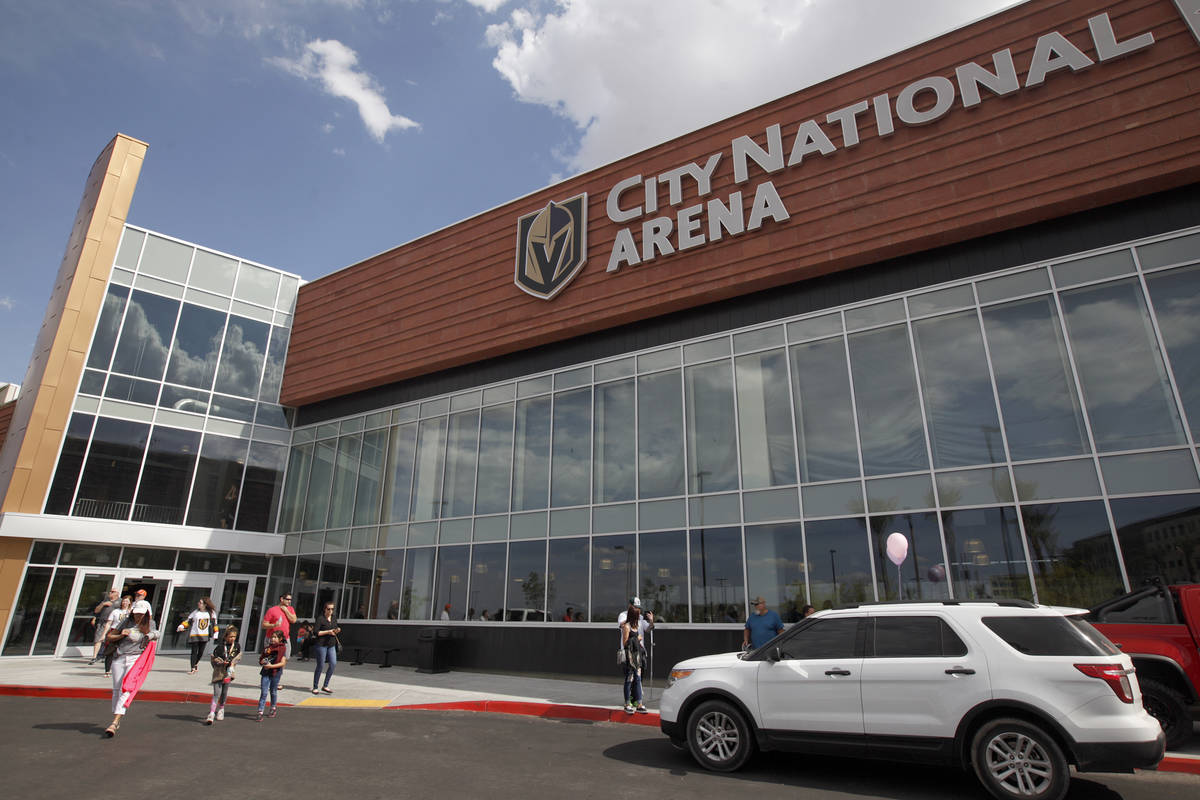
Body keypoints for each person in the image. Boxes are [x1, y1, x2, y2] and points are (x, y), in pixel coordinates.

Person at [103, 599, 158, 737]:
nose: (138, 616)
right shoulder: (127, 622)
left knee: (127, 687)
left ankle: (115, 721)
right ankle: (117, 716)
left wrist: (149, 635)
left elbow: (156, 633)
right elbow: (109, 636)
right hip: (120, 657)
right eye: (136, 613)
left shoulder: (150, 623)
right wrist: (122, 634)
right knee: (116, 688)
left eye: (141, 613)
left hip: (136, 659)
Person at [206, 625, 242, 724]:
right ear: (225, 637)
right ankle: (212, 713)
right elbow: (214, 659)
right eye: (230, 637)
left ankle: (221, 709)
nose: (232, 639)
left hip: (228, 673)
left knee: (224, 693)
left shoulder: (237, 647)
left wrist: (232, 663)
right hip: (219, 672)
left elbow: (238, 658)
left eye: (234, 636)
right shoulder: (220, 648)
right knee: (216, 693)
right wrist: (220, 662)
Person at [620, 602, 649, 714]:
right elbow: (625, 643)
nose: (639, 616)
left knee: (638, 679)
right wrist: (638, 639)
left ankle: (639, 703)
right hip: (630, 657)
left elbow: (648, 628)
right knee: (629, 679)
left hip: (638, 656)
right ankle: (627, 703)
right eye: (637, 614)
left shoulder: (637, 626)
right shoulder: (626, 627)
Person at [178, 596, 218, 675]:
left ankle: (195, 663)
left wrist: (216, 632)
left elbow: (214, 624)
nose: (198, 604)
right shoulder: (195, 612)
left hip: (204, 635)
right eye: (199, 602)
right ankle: (192, 667)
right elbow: (188, 620)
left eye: (200, 602)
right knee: (194, 651)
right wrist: (181, 626)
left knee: (200, 652)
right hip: (195, 634)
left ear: (205, 604)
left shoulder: (211, 613)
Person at [256, 629, 288, 721]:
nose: (272, 639)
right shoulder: (267, 648)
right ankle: (260, 711)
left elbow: (282, 663)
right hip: (265, 672)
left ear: (280, 639)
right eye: (272, 637)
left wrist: (271, 666)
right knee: (264, 692)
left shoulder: (282, 648)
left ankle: (273, 707)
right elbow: (261, 659)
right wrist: (262, 662)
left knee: (273, 691)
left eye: (275, 637)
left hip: (275, 673)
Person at [311, 601, 341, 695]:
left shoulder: (334, 618)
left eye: (332, 609)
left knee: (333, 664)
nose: (330, 611)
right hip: (321, 644)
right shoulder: (320, 619)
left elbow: (334, 629)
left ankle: (325, 685)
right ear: (325, 609)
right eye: (329, 609)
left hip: (331, 644)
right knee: (320, 665)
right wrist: (328, 632)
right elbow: (316, 632)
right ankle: (315, 686)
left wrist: (337, 630)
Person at [100, 595, 132, 677]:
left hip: (126, 633)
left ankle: (122, 671)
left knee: (123, 652)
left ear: (130, 603)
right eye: (124, 601)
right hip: (115, 631)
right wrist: (104, 634)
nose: (125, 603)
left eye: (127, 601)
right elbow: (109, 623)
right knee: (110, 651)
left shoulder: (131, 612)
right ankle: (107, 670)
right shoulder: (116, 611)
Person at [261, 592, 297, 658]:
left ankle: (280, 668)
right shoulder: (272, 610)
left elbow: (294, 620)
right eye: (287, 599)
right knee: (270, 658)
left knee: (285, 658)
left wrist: (286, 611)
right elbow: (263, 625)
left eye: (290, 600)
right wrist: (274, 625)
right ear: (281, 599)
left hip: (285, 638)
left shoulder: (290, 609)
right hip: (272, 639)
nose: (289, 601)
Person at [89, 588, 119, 665]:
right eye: (110, 591)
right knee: (98, 639)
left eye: (113, 591)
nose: (110, 593)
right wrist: (103, 604)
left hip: (113, 623)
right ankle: (94, 657)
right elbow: (96, 611)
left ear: (117, 593)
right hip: (102, 622)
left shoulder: (120, 602)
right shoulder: (105, 601)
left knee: (109, 640)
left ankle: (105, 656)